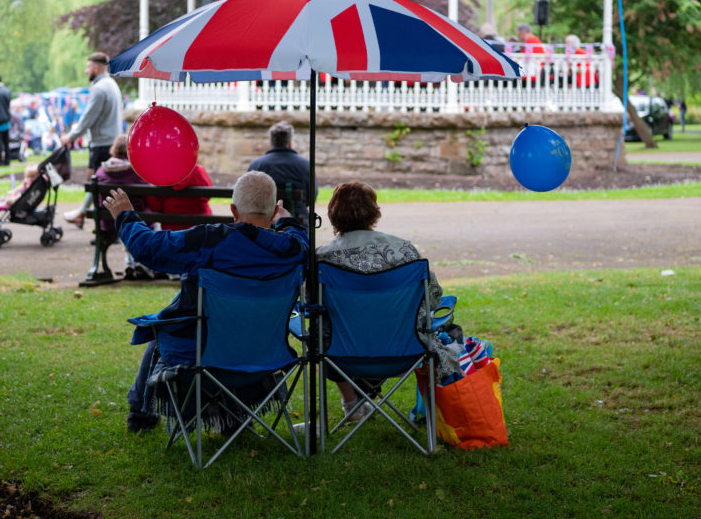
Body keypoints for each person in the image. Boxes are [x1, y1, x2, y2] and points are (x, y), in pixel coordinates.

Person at [102, 171, 308, 433]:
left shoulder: (211, 240)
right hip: (265, 356)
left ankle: (141, 416)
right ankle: (234, 417)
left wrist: (126, 215)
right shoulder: (291, 249)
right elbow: (302, 240)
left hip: (201, 356)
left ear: (234, 209)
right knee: (178, 325)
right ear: (275, 210)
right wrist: (287, 221)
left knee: (163, 327)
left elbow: (149, 248)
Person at [316, 181, 458, 420]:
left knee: (326, 329)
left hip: (341, 353)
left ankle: (351, 405)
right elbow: (433, 297)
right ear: (375, 212)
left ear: (332, 215)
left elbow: (313, 305)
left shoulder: (321, 259)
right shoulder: (404, 251)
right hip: (402, 349)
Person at [61, 52, 123, 227]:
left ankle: (86, 215)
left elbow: (88, 118)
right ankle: (85, 214)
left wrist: (70, 137)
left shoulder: (99, 88)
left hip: (101, 144)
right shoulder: (112, 84)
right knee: (98, 183)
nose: (85, 70)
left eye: (88, 67)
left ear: (96, 68)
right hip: (110, 140)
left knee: (93, 182)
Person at [91, 134, 151, 279]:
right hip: (139, 219)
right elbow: (149, 195)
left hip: (108, 222)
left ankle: (130, 264)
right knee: (144, 222)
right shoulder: (138, 171)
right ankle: (140, 264)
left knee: (131, 224)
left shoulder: (101, 170)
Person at [249, 120, 315, 225]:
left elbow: (250, 198)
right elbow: (311, 197)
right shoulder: (304, 165)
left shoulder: (256, 165)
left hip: (264, 226)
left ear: (271, 143)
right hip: (297, 224)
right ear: (290, 143)